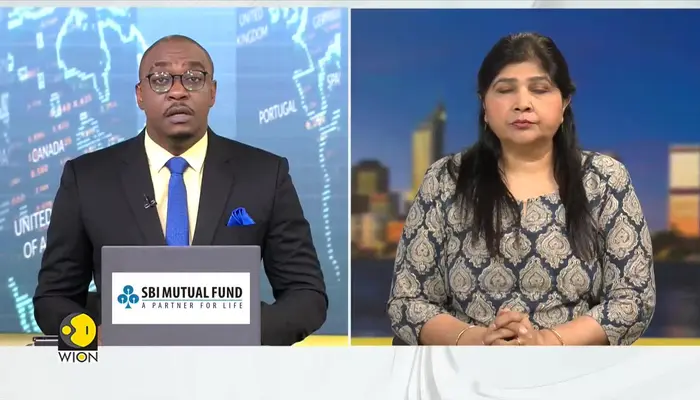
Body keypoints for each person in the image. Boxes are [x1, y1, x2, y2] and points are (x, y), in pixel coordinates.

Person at [33, 35, 328, 346]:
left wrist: (241, 333)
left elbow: (306, 295)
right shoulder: (88, 178)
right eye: (161, 79)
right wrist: (92, 335)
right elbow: (54, 297)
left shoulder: (265, 174)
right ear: (140, 95)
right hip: (123, 367)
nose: (177, 91)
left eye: (193, 78)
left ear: (212, 92)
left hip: (231, 369)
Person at [387, 32, 656, 346]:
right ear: (484, 104)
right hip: (467, 366)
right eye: (505, 90)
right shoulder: (446, 180)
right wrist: (479, 340)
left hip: (572, 366)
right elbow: (408, 301)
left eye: (539, 89)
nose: (522, 104)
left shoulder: (604, 179)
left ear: (565, 102)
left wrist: (545, 342)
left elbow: (633, 299)